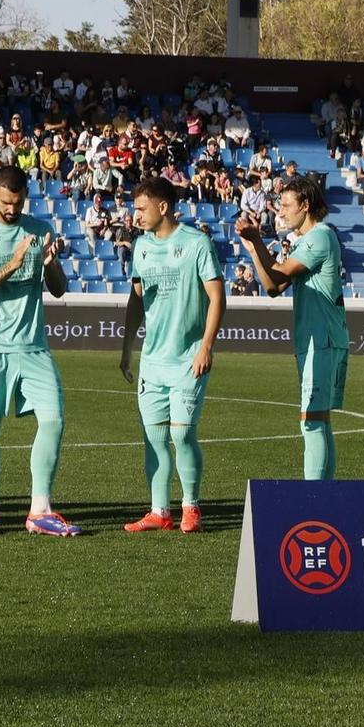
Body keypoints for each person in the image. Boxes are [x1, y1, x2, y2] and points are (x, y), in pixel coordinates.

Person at [0, 166, 79, 537]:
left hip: (34, 347)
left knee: (54, 420)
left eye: (18, 202)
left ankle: (39, 509)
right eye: (5, 202)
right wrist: (12, 264)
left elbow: (58, 290)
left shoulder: (41, 230)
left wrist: (50, 263)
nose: (12, 209)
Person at [119, 176, 225, 532]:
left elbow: (217, 297)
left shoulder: (197, 243)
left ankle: (191, 506)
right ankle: (159, 511)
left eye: (140, 208)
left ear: (162, 207)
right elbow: (136, 299)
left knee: (181, 435)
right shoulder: (141, 247)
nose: (135, 215)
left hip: (188, 358)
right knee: (154, 438)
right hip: (153, 361)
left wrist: (206, 345)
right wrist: (127, 348)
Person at [234, 172, 347, 480]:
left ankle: (315, 497)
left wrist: (258, 240)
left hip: (321, 338)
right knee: (317, 419)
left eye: (285, 205)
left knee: (311, 420)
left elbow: (279, 276)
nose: (280, 212)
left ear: (305, 204)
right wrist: (254, 247)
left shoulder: (320, 236)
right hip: (316, 337)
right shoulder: (308, 240)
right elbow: (272, 286)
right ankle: (322, 493)